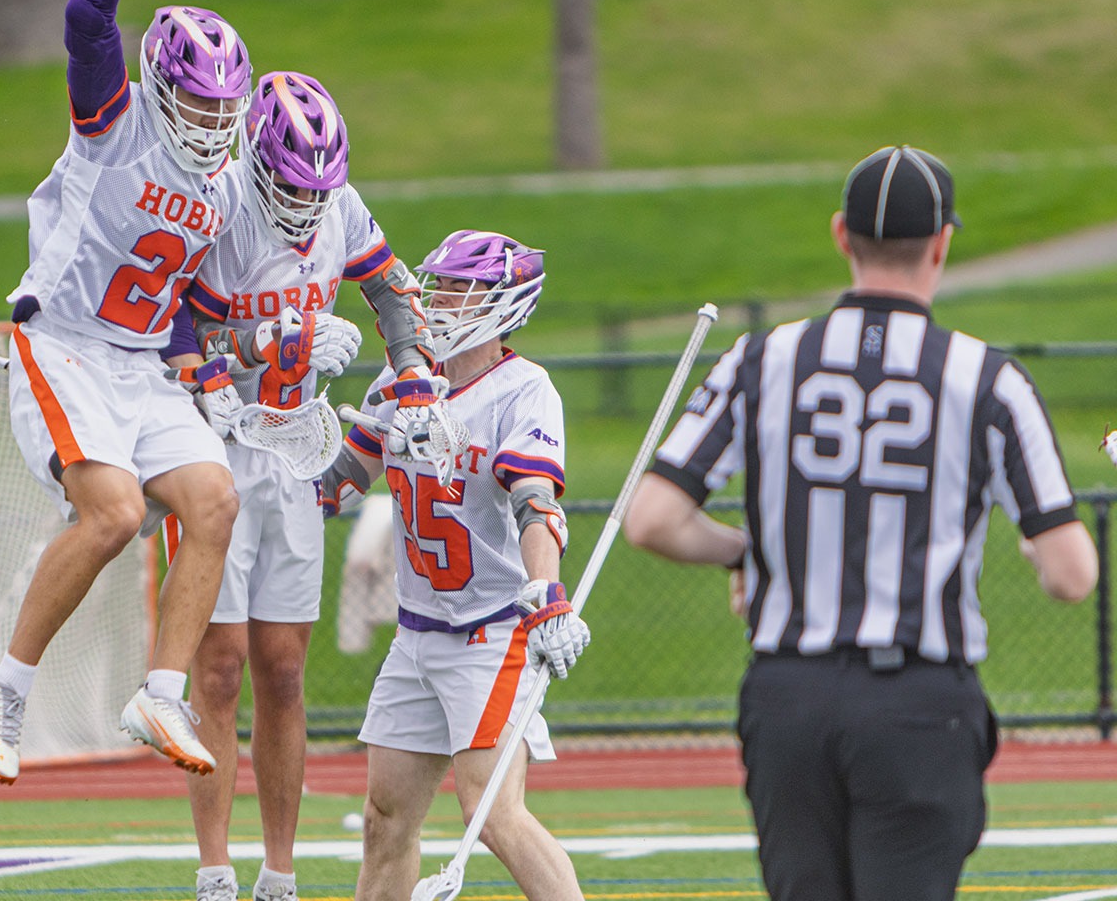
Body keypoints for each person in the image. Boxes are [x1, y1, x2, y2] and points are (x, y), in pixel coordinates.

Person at [625, 145, 1100, 901]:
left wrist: (746, 554)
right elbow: (1072, 575)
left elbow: (651, 519)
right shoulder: (988, 380)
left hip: (790, 699)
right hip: (918, 701)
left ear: (842, 235)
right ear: (943, 243)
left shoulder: (763, 358)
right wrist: (1036, 548)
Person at [0, 0, 247, 784]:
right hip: (66, 346)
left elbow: (182, 303)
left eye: (226, 108)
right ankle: (6, 683)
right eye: (199, 105)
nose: (214, 124)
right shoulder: (113, 123)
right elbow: (88, 27)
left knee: (214, 500)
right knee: (113, 515)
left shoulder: (220, 188)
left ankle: (160, 693)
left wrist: (217, 360)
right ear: (161, 91)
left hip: (138, 363)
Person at [174, 71, 440, 901]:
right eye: (291, 181)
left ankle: (279, 872)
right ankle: (213, 869)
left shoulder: (343, 208)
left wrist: (414, 373)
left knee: (283, 670)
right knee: (216, 668)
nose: (303, 199)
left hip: (293, 448)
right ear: (259, 160)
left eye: (315, 184)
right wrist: (267, 340)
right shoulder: (223, 207)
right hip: (216, 442)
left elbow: (394, 289)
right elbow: (178, 327)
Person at [321, 230, 589, 901]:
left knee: (494, 816)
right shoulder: (404, 378)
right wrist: (266, 463)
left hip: (491, 632)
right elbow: (341, 480)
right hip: (416, 634)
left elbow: (536, 503)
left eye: (458, 289)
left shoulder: (524, 391)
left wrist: (548, 593)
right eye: (437, 285)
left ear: (505, 303)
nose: (439, 299)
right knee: (385, 822)